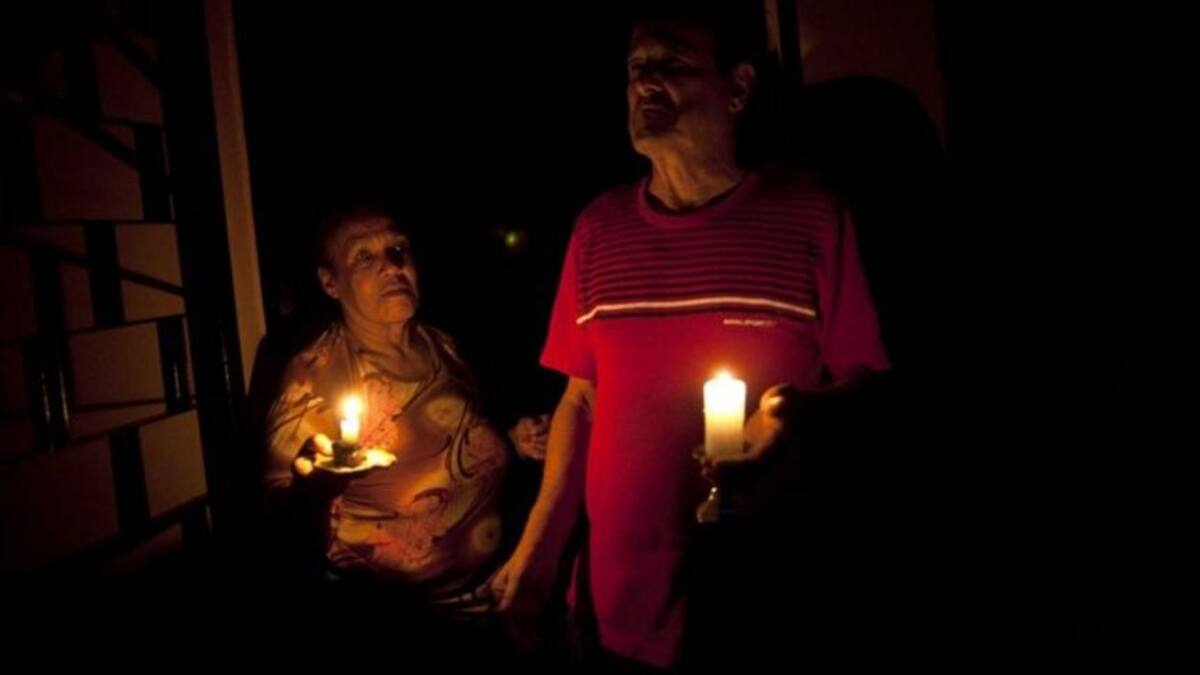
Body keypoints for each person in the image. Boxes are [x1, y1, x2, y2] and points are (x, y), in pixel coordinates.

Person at [488, 3, 891, 670]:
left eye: (671, 63)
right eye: (635, 67)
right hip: (613, 616)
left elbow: (870, 389)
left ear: (737, 88)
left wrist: (794, 418)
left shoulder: (811, 217)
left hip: (763, 606)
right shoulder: (599, 228)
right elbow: (580, 402)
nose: (644, 80)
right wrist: (536, 554)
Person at [264, 203, 549, 623]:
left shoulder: (440, 345)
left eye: (398, 249)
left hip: (496, 594)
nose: (392, 266)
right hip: (403, 620)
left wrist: (512, 442)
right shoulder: (315, 377)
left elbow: (452, 446)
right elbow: (278, 525)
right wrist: (315, 491)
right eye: (364, 256)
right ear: (330, 282)